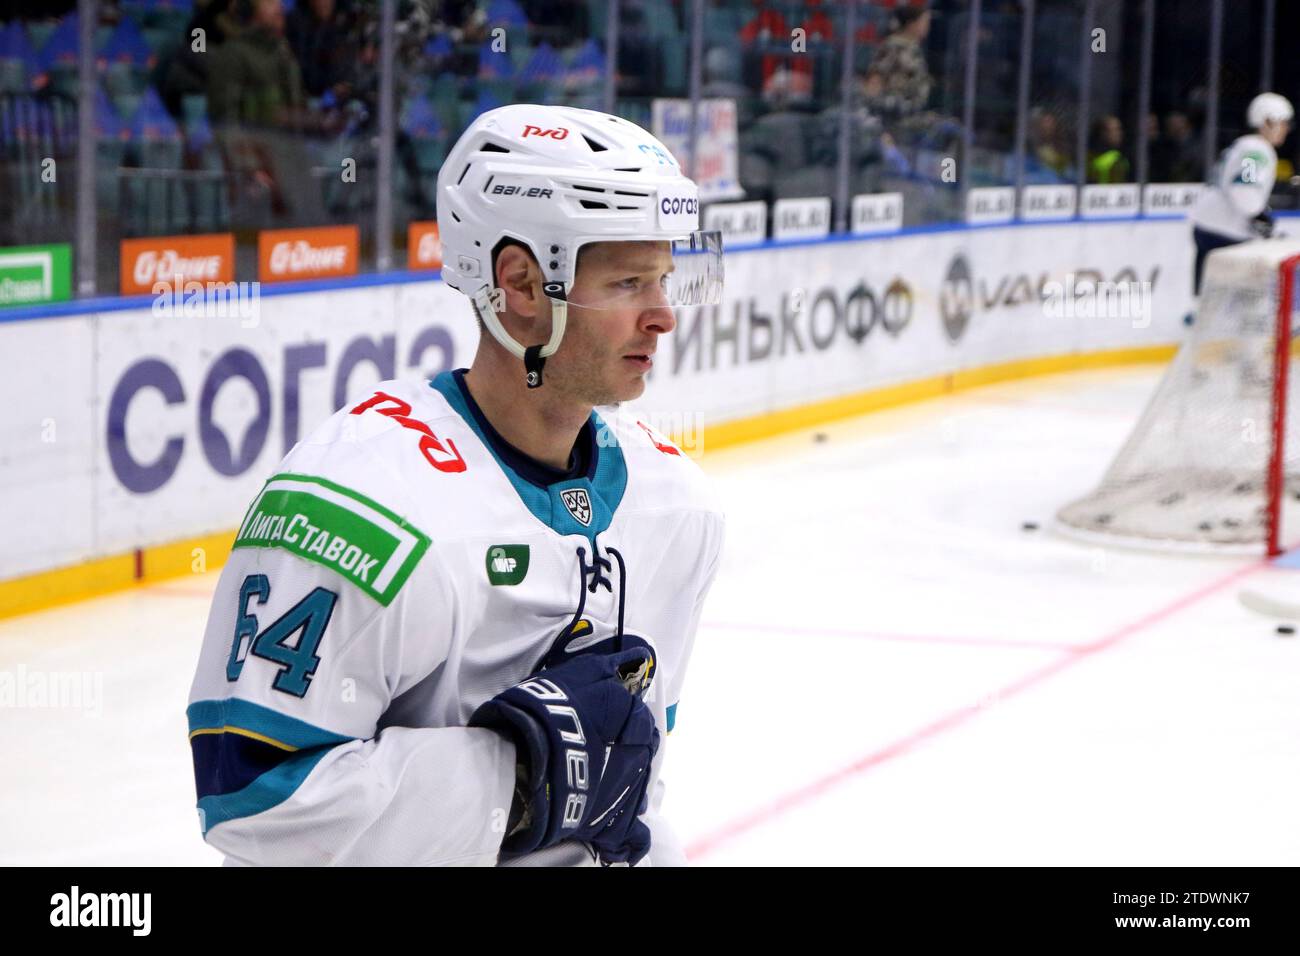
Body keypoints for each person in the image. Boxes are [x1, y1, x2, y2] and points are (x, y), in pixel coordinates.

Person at [185, 104, 727, 867]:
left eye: (665, 278)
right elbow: (251, 793)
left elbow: (633, 783)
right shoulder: (359, 502)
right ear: (521, 285)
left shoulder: (677, 509)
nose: (663, 316)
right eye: (629, 281)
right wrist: (520, 782)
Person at [1188, 92, 1293, 295]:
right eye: (1283, 122)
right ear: (1268, 121)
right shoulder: (1256, 150)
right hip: (1224, 230)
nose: (1286, 129)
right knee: (1244, 295)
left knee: (1207, 294)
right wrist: (1259, 217)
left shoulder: (1244, 145)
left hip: (1209, 225)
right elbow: (1244, 188)